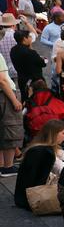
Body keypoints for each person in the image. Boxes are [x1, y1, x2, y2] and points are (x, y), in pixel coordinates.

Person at [13, 120, 64, 210]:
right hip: (34, 196)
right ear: (54, 134)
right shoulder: (46, 152)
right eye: (63, 133)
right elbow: (62, 169)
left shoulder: (40, 147)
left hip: (24, 196)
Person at [0, 40, 22, 176]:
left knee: (2, 129)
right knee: (10, 129)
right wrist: (14, 100)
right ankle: (7, 166)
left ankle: (2, 164)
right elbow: (2, 80)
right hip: (5, 95)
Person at [10, 28, 44, 102]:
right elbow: (42, 63)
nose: (31, 38)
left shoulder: (13, 50)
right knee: (37, 100)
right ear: (24, 39)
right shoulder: (30, 52)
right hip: (34, 81)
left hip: (22, 79)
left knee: (25, 99)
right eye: (29, 37)